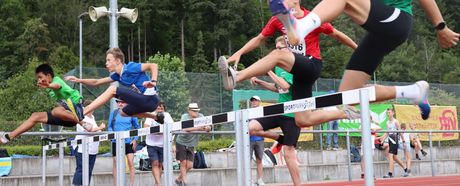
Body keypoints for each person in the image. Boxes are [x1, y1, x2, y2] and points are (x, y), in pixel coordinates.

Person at [269, 0, 459, 121]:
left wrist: (441, 27)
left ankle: (301, 28)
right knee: (347, 97)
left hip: (397, 20)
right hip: (380, 32)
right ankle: (412, 91)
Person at [219, 1, 360, 129]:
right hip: (299, 73)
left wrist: (358, 49)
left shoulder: (312, 19)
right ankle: (343, 112)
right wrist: (239, 52)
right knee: (303, 119)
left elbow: (337, 34)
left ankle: (236, 77)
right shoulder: (278, 19)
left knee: (277, 54)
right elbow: (259, 38)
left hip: (312, 64)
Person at [248, 37, 303, 186]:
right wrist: (261, 82)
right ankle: (281, 139)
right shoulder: (279, 67)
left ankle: (297, 184)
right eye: (276, 48)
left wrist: (269, 71)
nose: (277, 51)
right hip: (280, 110)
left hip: (293, 114)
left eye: (281, 48)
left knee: (288, 153)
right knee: (251, 128)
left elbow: (285, 86)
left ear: (289, 49)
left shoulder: (295, 66)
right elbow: (277, 88)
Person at [65, 48, 163, 121]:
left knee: (112, 89)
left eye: (109, 60)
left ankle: (83, 112)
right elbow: (97, 82)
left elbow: (153, 65)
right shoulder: (117, 76)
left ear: (118, 61)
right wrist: (79, 80)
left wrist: (153, 82)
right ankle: (156, 117)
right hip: (146, 104)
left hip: (150, 99)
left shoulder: (130, 67)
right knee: (123, 112)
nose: (106, 63)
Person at [0, 64, 86, 144]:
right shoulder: (49, 90)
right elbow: (60, 102)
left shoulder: (57, 80)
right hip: (68, 117)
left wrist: (48, 85)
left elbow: (57, 86)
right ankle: (8, 137)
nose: (39, 80)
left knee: (56, 111)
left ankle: (81, 121)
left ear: (48, 76)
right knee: (35, 116)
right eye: (38, 78)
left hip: (77, 108)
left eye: (40, 77)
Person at [175, 103, 211, 186]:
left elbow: (208, 126)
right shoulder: (184, 116)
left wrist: (208, 128)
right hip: (181, 142)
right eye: (194, 111)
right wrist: (199, 128)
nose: (196, 113)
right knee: (183, 163)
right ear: (189, 111)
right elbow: (186, 128)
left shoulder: (201, 116)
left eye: (197, 111)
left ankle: (178, 179)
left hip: (192, 143)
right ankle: (185, 182)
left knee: (190, 165)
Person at [72, 99, 106, 186]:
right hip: (82, 149)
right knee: (81, 169)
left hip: (93, 150)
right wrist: (100, 128)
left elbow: (95, 132)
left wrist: (100, 131)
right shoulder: (81, 118)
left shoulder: (93, 117)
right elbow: (89, 130)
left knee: (89, 170)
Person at [108, 99, 140, 186]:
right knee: (116, 162)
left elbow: (137, 127)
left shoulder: (131, 113)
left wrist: (134, 139)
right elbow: (109, 127)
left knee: (130, 161)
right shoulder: (113, 113)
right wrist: (113, 135)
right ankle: (116, 184)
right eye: (118, 102)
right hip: (116, 141)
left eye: (122, 102)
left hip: (128, 142)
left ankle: (131, 184)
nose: (120, 104)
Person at [144, 101, 174, 186]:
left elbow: (171, 127)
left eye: (162, 108)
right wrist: (157, 131)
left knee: (160, 164)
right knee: (155, 163)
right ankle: (159, 183)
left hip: (163, 144)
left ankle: (157, 183)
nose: (160, 109)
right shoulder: (151, 115)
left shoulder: (167, 115)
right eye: (158, 108)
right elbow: (146, 126)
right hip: (151, 144)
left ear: (164, 109)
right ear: (155, 109)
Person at [380, 109, 408, 178]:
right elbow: (387, 132)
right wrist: (382, 140)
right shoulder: (387, 123)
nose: (388, 114)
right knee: (394, 157)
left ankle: (390, 173)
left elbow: (400, 132)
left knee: (390, 156)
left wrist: (403, 141)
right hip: (390, 139)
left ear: (393, 113)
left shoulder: (395, 121)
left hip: (395, 140)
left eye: (389, 112)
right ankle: (405, 168)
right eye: (387, 113)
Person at [247, 96, 266, 186]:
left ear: (259, 102)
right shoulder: (247, 112)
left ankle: (259, 180)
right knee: (248, 161)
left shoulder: (262, 112)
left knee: (259, 160)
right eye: (252, 101)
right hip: (249, 140)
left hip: (260, 140)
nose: (254, 102)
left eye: (256, 100)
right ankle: (249, 180)